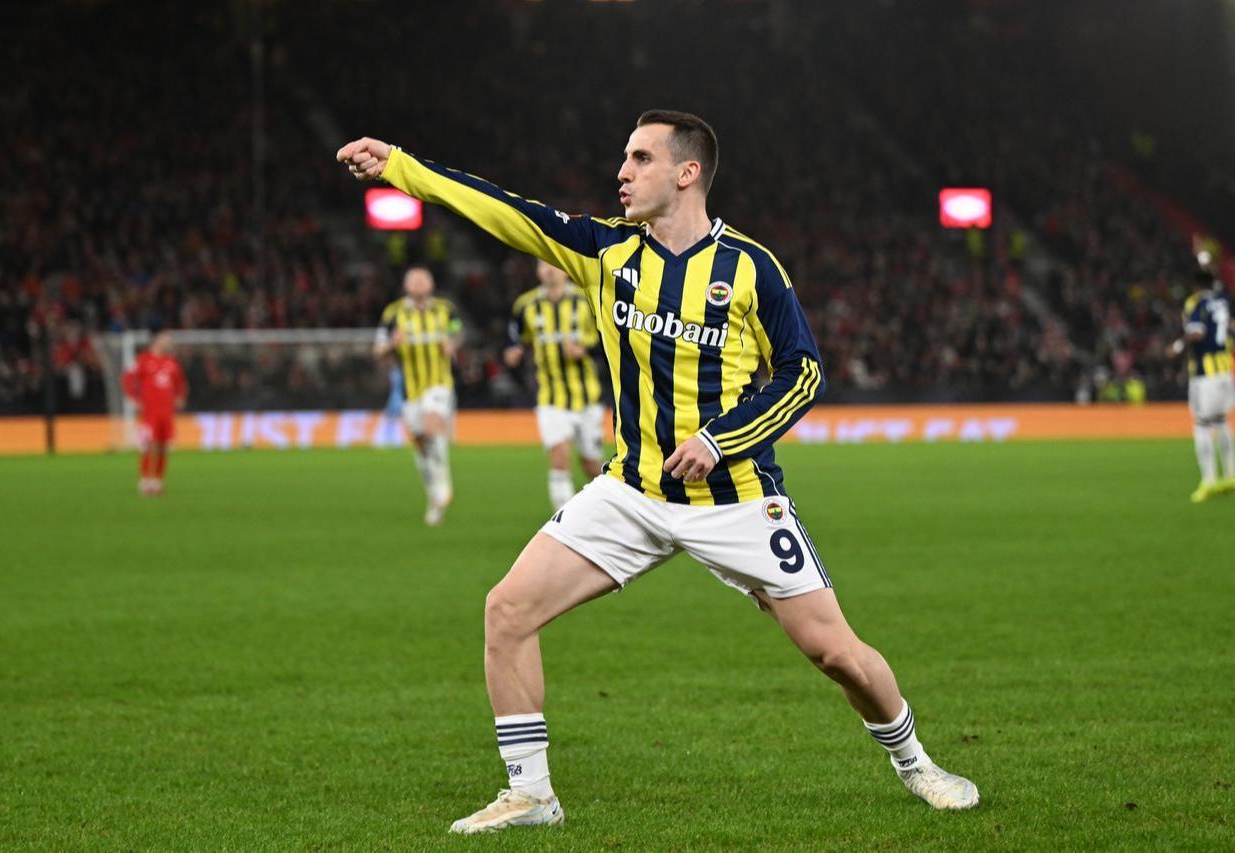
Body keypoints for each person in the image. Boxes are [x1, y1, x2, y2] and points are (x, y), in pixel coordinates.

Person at [338, 110, 979, 833]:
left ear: (687, 172)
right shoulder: (603, 251)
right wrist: (401, 166)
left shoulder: (751, 268)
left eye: (640, 158)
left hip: (735, 499)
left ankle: (916, 761)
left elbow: (803, 374)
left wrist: (722, 437)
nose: (622, 171)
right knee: (507, 609)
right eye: (624, 158)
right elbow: (505, 212)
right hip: (632, 490)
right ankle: (531, 793)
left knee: (836, 653)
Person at [505, 260, 607, 510]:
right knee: (559, 455)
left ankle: (609, 511)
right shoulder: (526, 305)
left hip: (587, 398)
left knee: (592, 465)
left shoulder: (587, 300)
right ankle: (565, 519)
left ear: (565, 269)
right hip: (550, 397)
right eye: (543, 265)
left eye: (554, 265)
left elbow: (610, 343)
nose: (549, 269)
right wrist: (514, 354)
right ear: (538, 271)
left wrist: (584, 350)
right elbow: (516, 340)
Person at [375, 266, 462, 525]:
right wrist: (392, 344)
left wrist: (453, 344)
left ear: (432, 283)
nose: (419, 283)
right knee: (421, 442)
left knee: (432, 425)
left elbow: (458, 332)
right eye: (414, 279)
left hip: (439, 383)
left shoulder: (445, 310)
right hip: (411, 390)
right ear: (406, 285)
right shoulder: (393, 314)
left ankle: (443, 481)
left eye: (424, 278)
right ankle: (434, 495)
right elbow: (377, 351)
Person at [1173, 270, 1235, 502]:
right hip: (1225, 370)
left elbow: (1196, 334)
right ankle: (1230, 475)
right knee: (1221, 421)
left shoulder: (1198, 304)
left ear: (1196, 285)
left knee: (1201, 425)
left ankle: (1208, 481)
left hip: (1205, 373)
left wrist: (1178, 347)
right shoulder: (1222, 302)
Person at [121, 330, 187, 496]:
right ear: (157, 342)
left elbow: (181, 383)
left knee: (164, 447)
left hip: (167, 412)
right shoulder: (144, 360)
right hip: (150, 412)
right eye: (167, 340)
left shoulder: (171, 362)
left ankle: (157, 481)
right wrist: (134, 399)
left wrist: (180, 396)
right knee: (149, 446)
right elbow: (128, 379)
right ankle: (145, 480)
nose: (170, 343)